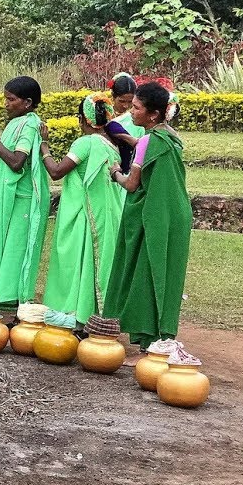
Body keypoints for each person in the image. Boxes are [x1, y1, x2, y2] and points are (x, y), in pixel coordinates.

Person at [104, 82, 192, 362]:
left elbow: (132, 184)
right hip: (175, 213)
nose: (131, 112)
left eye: (136, 107)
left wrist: (115, 172)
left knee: (145, 272)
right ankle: (157, 337)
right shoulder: (171, 137)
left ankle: (149, 340)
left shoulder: (148, 142)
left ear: (153, 114)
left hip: (154, 214)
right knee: (165, 272)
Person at [38, 94, 124, 323]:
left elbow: (56, 172)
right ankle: (92, 312)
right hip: (105, 213)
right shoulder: (111, 145)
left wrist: (44, 147)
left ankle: (75, 312)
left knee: (76, 261)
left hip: (83, 215)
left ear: (83, 119)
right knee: (94, 263)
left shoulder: (85, 143)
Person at [0, 75, 51, 318]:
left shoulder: (29, 125)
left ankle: (14, 306)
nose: (6, 104)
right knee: (3, 249)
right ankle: (2, 304)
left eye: (11, 99)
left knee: (15, 252)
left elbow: (17, 162)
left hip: (23, 200)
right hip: (12, 197)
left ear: (27, 103)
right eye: (5, 98)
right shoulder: (18, 122)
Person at [101, 72, 143, 173]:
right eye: (122, 101)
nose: (126, 106)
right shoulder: (102, 115)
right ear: (113, 96)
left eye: (130, 101)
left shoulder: (137, 118)